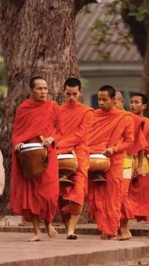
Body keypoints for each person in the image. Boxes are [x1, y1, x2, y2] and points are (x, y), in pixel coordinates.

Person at [10, 76, 63, 241]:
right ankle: (37, 231)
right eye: (39, 88)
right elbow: (17, 133)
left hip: (47, 154)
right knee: (31, 194)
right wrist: (17, 144)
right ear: (31, 91)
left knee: (50, 193)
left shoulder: (53, 107)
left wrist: (52, 139)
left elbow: (61, 132)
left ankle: (48, 222)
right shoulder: (24, 108)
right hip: (29, 156)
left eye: (45, 88)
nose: (43, 91)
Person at [87, 85, 134, 240]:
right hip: (94, 159)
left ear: (113, 100)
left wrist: (113, 149)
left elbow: (129, 142)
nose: (100, 102)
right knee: (96, 197)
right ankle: (104, 228)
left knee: (113, 196)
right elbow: (87, 136)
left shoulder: (125, 118)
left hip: (114, 160)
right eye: (99, 99)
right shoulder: (93, 115)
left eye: (104, 100)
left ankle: (110, 230)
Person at [57, 78, 94, 240]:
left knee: (78, 191)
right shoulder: (58, 111)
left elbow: (82, 135)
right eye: (68, 94)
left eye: (74, 94)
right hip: (60, 156)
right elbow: (54, 131)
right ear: (63, 92)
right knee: (61, 195)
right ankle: (67, 229)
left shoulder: (87, 112)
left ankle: (72, 229)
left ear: (80, 93)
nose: (71, 97)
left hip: (79, 155)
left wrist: (60, 145)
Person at [115, 91, 146, 240]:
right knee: (109, 197)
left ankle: (125, 227)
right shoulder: (103, 117)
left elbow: (140, 144)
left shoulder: (130, 119)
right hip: (108, 162)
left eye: (115, 102)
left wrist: (139, 165)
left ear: (121, 102)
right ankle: (112, 228)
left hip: (126, 162)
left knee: (122, 196)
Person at [129, 93, 149, 239]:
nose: (133, 105)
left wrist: (143, 164)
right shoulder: (127, 120)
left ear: (144, 106)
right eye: (131, 102)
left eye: (136, 102)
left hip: (143, 163)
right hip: (127, 160)